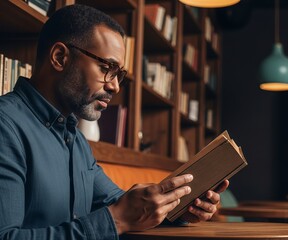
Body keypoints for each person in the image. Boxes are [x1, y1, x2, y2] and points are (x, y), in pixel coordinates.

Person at [0, 4, 228, 239]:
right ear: (60, 57)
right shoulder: (5, 126)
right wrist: (117, 219)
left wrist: (181, 209)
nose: (115, 86)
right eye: (106, 68)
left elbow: (122, 204)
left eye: (119, 75)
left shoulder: (76, 139)